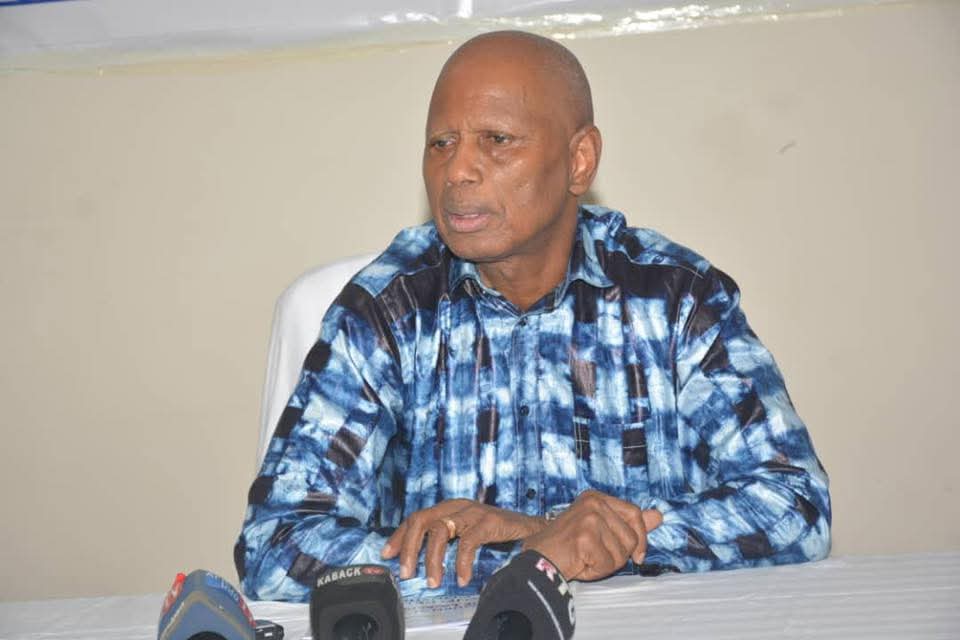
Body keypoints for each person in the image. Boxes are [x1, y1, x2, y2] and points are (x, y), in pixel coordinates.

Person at [235, 30, 831, 601]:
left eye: (496, 140)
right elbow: (275, 542)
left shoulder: (674, 299)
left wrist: (574, 540)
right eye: (441, 143)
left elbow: (796, 504)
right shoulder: (388, 309)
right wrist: (533, 555)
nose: (457, 171)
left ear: (579, 160)